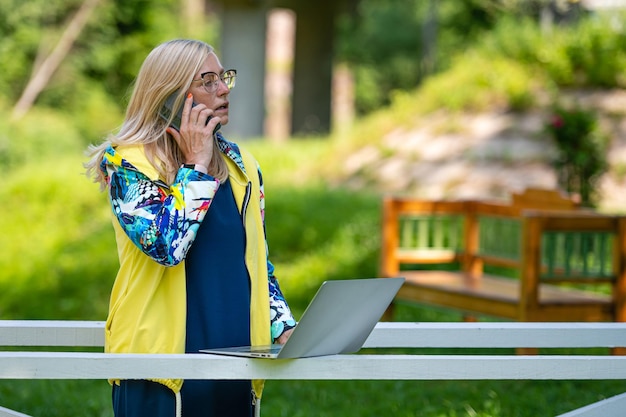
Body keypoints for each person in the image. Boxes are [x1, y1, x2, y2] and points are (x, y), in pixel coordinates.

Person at [85, 39, 296, 417]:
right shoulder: (128, 163)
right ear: (171, 95)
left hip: (238, 359)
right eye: (208, 80)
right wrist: (196, 167)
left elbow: (255, 258)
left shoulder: (243, 165)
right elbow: (167, 244)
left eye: (224, 78)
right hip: (158, 368)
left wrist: (282, 323)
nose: (223, 89)